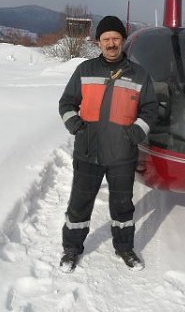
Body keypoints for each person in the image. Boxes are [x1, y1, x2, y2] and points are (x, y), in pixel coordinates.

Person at [58, 15, 157, 273]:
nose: (111, 43)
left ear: (123, 40)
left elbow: (150, 109)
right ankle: (71, 249)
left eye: (116, 38)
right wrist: (75, 125)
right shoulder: (85, 70)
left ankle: (125, 248)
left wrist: (136, 133)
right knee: (79, 204)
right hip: (88, 152)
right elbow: (66, 103)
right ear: (98, 42)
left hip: (122, 154)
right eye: (106, 39)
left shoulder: (139, 74)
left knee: (123, 206)